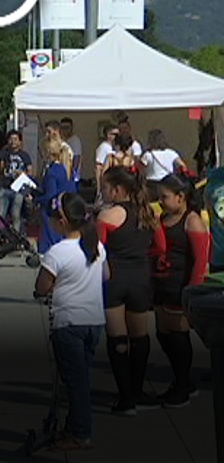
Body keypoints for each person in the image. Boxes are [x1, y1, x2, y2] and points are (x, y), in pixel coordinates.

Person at [34, 193, 107, 451]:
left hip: (69, 322)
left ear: (62, 221)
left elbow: (42, 287)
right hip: (94, 320)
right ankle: (74, 425)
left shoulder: (57, 252)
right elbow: (106, 275)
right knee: (80, 376)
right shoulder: (96, 246)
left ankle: (80, 432)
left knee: (76, 383)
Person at [98, 165, 166, 415]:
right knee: (140, 337)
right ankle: (138, 390)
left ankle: (125, 397)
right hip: (140, 277)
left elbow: (97, 250)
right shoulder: (148, 213)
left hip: (115, 278)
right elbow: (161, 247)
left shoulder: (106, 216)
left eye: (105, 188)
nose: (103, 192)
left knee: (117, 339)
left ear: (117, 190)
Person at [153, 175, 209, 407]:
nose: (161, 201)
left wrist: (192, 291)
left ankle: (182, 385)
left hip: (180, 286)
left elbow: (200, 260)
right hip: (162, 284)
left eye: (165, 197)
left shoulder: (192, 221)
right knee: (163, 334)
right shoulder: (164, 218)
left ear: (180, 197)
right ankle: (181, 381)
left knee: (178, 336)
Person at [37, 140, 77, 254]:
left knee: (49, 244)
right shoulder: (67, 169)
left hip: (51, 210)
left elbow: (50, 194)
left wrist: (36, 199)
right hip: (64, 206)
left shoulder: (52, 172)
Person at [0, 130, 34, 234]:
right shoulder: (1, 154)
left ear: (20, 141)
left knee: (16, 215)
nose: (13, 142)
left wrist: (22, 174)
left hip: (18, 190)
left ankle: (15, 236)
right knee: (0, 215)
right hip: (3, 187)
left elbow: (31, 172)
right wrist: (0, 167)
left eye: (15, 139)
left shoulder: (24, 155)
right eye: (11, 139)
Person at [141, 129, 188, 201]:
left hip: (152, 185)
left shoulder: (148, 155)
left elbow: (141, 170)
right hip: (168, 183)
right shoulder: (171, 153)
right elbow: (183, 166)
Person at [95, 124, 119, 201]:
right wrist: (99, 189)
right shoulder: (104, 147)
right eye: (114, 134)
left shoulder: (114, 147)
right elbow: (98, 167)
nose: (117, 136)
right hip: (106, 184)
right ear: (108, 135)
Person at [60, 117, 83, 183]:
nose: (65, 130)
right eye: (63, 128)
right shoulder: (63, 140)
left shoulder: (75, 141)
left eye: (67, 127)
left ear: (71, 127)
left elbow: (76, 158)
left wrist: (72, 174)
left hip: (71, 177)